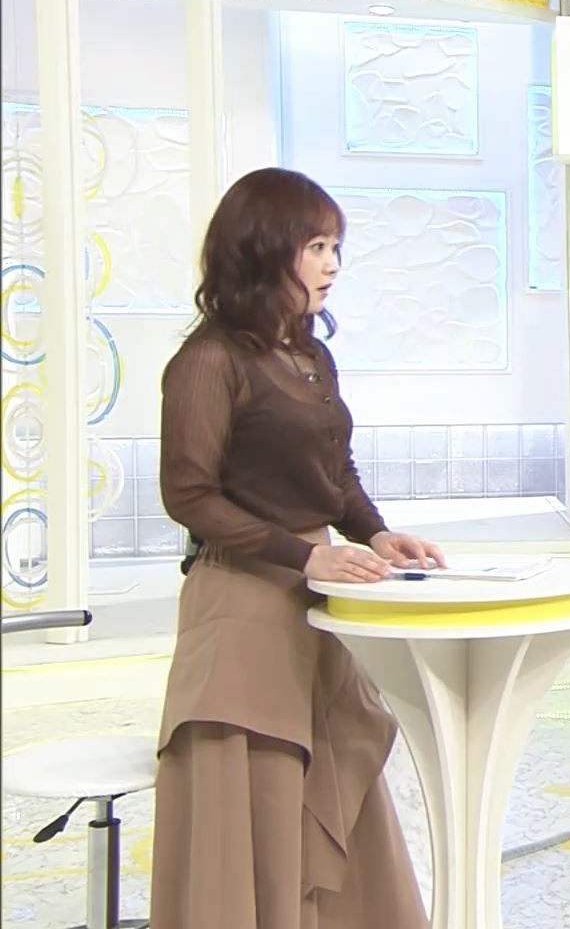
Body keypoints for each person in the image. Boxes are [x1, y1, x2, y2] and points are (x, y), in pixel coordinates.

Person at [150, 167, 442, 928]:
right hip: (242, 606)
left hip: (315, 598)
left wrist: (374, 531)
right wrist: (304, 555)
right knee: (260, 801)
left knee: (328, 787)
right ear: (262, 250)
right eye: (316, 246)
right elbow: (190, 495)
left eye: (335, 246)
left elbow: (335, 473)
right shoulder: (208, 361)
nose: (332, 264)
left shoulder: (311, 357)